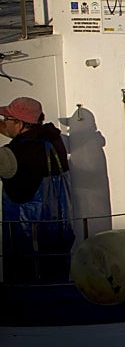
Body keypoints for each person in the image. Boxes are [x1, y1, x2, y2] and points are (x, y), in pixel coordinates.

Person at [0, 96, 74, 283]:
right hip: (58, 237)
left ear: (20, 123)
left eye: (6, 119)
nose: (3, 123)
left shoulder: (11, 154)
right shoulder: (55, 142)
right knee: (56, 278)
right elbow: (24, 135)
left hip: (28, 245)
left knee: (27, 280)